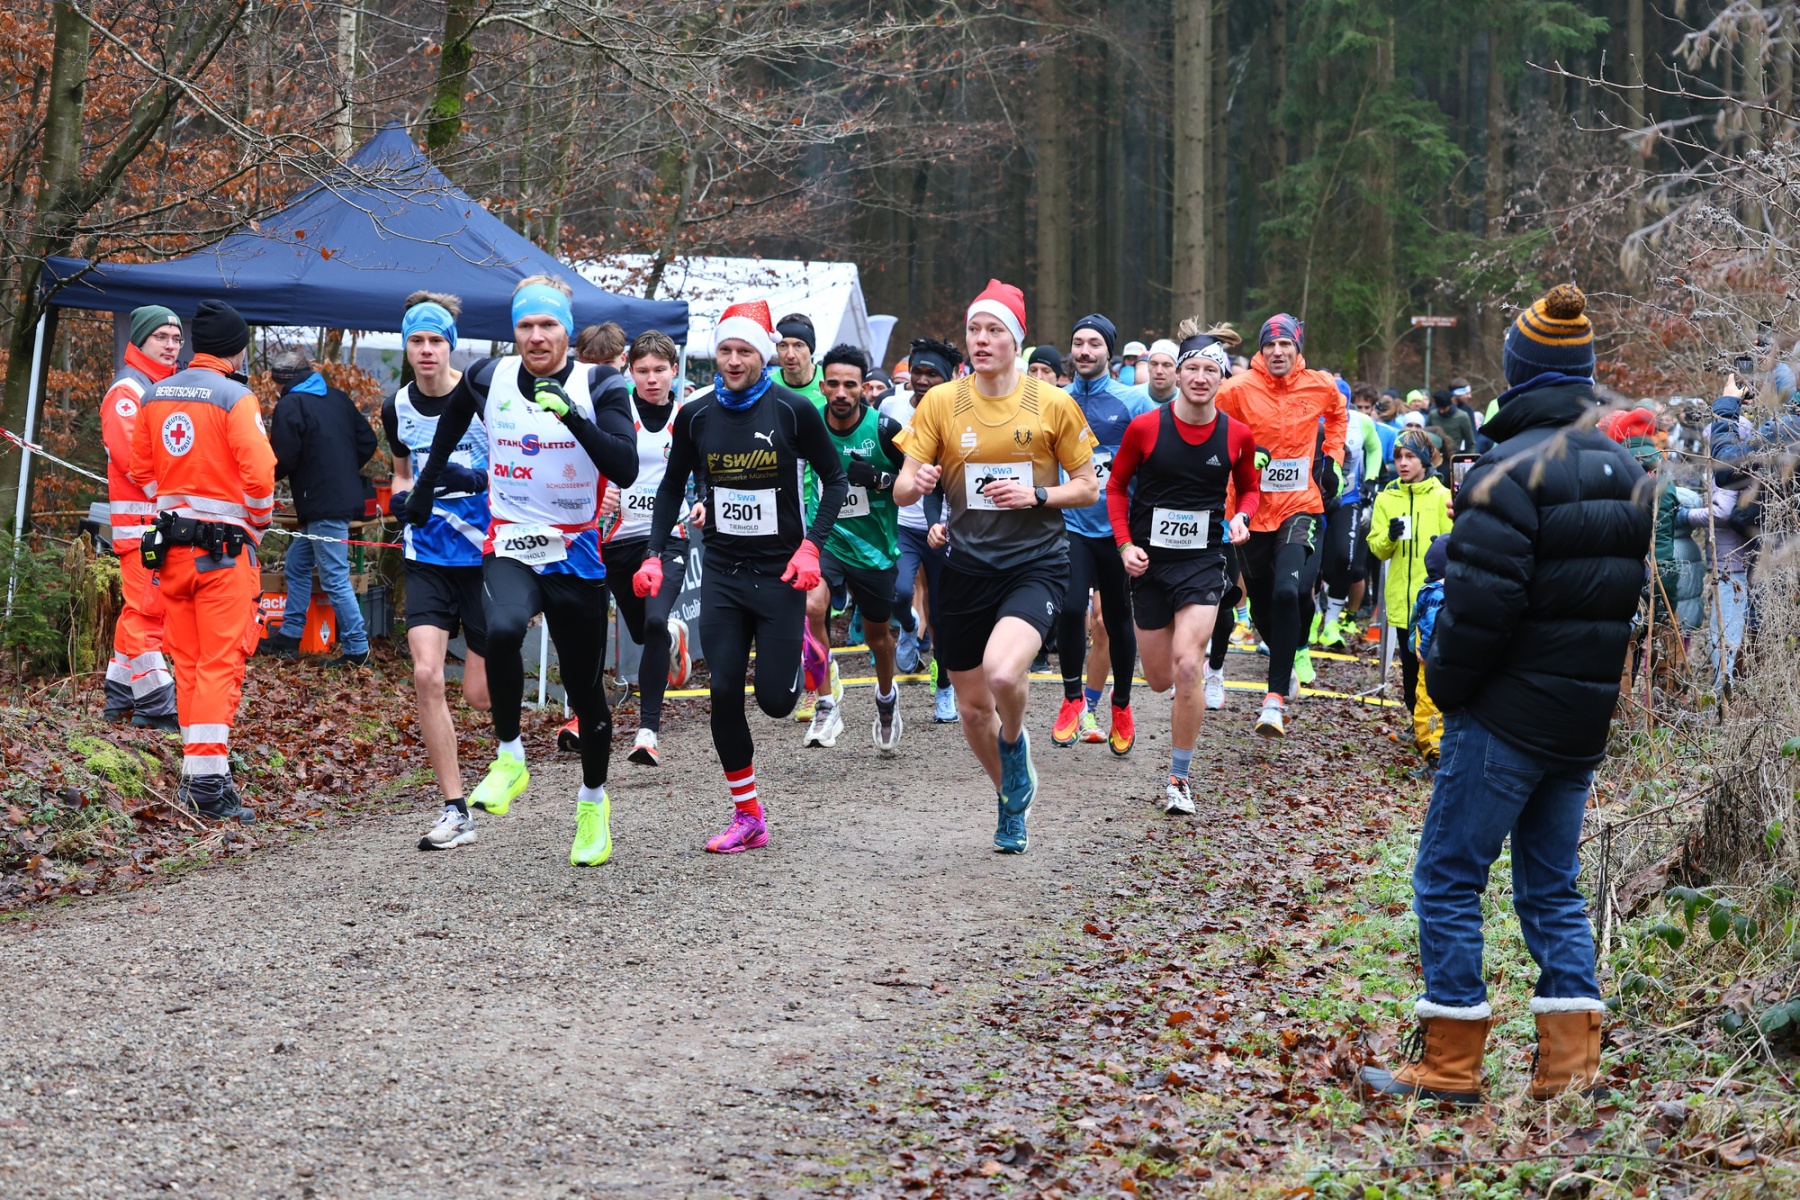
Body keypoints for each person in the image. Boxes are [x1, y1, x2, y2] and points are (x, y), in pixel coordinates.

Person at [1360, 284, 1653, 1105]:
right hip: (1580, 719)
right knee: (1551, 885)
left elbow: (1484, 608)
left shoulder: (1505, 469)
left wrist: (1447, 685)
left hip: (1504, 717)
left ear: (1518, 373)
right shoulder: (1627, 468)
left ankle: (1450, 1061)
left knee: (1448, 875)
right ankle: (1570, 1069)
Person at [406, 275, 640, 867]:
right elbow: (449, 427)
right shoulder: (489, 376)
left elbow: (625, 467)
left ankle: (593, 804)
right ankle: (510, 756)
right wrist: (424, 489)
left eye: (548, 325)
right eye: (526, 326)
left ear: (566, 329)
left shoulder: (601, 384)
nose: (536, 337)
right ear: (514, 331)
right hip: (510, 540)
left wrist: (574, 418)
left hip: (575, 551)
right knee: (504, 628)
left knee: (585, 688)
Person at [893, 280, 1099, 853]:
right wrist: (919, 480)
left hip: (1035, 563)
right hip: (964, 568)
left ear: (1016, 340)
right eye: (974, 330)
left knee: (1004, 675)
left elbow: (1087, 487)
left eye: (994, 330)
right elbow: (902, 490)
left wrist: (1038, 495)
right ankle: (1010, 798)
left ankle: (1015, 741)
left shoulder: (1052, 403)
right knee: (970, 707)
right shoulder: (941, 402)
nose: (981, 340)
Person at [639, 299, 847, 853]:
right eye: (725, 351)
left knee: (777, 703)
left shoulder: (793, 411)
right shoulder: (696, 415)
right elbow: (671, 485)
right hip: (724, 572)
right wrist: (654, 553)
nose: (734, 361)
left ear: (763, 356)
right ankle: (748, 815)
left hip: (781, 573)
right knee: (725, 691)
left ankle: (806, 646)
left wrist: (812, 547)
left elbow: (835, 480)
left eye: (744, 352)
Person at [127, 299, 275, 821]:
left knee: (188, 665)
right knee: (219, 664)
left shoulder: (154, 394)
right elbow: (260, 475)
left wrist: (177, 506)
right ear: (236, 350)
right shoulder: (236, 397)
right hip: (224, 557)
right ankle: (209, 787)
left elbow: (141, 469)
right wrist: (256, 523)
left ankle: (198, 776)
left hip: (172, 552)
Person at [1107, 329, 1258, 815]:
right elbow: (1116, 489)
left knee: (1189, 665)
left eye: (1210, 369)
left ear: (1221, 377)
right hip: (1149, 563)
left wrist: (1242, 517)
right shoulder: (1145, 428)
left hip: (1203, 560)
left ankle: (1179, 778)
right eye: (1191, 367)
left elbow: (1249, 489)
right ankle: (1170, 692)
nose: (1199, 377)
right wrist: (1125, 545)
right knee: (1158, 679)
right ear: (1177, 373)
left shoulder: (1236, 435)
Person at [382, 293, 494, 850]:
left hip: (485, 556)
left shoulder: (480, 396)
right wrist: (400, 501)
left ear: (451, 345)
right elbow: (402, 474)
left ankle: (513, 756)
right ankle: (455, 809)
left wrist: (474, 481)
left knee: (479, 695)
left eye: (435, 341)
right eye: (417, 341)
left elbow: (513, 466)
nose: (426, 350)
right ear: (406, 347)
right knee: (427, 676)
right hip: (426, 556)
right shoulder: (396, 407)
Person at [1214, 313, 1345, 738]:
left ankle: (1273, 701)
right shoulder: (1236, 389)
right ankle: (1283, 660)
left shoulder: (1320, 384)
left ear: (1297, 347)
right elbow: (1211, 429)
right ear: (1261, 350)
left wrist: (1333, 458)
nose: (1277, 351)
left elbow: (1338, 414)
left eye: (1285, 344)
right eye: (1269, 345)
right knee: (1262, 604)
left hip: (1299, 504)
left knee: (1290, 591)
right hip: (1249, 509)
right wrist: (1241, 455)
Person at [1053, 313, 1153, 753]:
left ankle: (1122, 705)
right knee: (1071, 607)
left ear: (1109, 352)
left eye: (1094, 344)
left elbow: (1154, 462)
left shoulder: (1134, 402)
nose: (1084, 351)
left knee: (1115, 617)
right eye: (1078, 343)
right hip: (1072, 524)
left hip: (1118, 529)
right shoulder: (1057, 400)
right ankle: (1073, 698)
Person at [802, 344, 908, 752]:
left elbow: (918, 483)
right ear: (822, 386)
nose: (841, 393)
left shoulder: (886, 429)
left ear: (865, 388)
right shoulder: (809, 423)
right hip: (824, 537)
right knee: (811, 607)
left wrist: (880, 478)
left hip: (874, 548)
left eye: (850, 385)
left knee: (878, 638)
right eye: (833, 384)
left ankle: (886, 697)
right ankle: (826, 703)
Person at [599, 330, 694, 768]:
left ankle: (647, 732)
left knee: (653, 622)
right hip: (619, 538)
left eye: (659, 370)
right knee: (641, 631)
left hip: (669, 536)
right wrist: (600, 493)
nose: (651, 379)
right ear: (630, 372)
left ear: (674, 370)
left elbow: (706, 467)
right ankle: (674, 637)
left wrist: (704, 499)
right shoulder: (615, 413)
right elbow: (590, 460)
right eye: (642, 371)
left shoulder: (688, 416)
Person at [264, 349, 379, 666]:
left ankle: (357, 650)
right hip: (336, 500)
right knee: (297, 564)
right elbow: (368, 441)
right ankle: (289, 637)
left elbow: (284, 457)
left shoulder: (291, 404)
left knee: (334, 579)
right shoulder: (337, 397)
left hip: (322, 503)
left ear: (283, 381)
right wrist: (343, 468)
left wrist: (262, 479)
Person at [101, 304, 182, 728]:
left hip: (156, 525)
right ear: (140, 340)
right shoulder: (128, 391)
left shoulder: (160, 387)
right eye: (161, 337)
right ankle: (157, 705)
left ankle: (120, 696)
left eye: (176, 338)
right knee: (147, 615)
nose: (171, 346)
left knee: (140, 611)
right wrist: (183, 500)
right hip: (143, 527)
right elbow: (137, 462)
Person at [884, 337, 959, 723]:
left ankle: (944, 687)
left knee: (943, 614)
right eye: (918, 372)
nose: (924, 379)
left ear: (948, 378)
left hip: (946, 527)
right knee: (898, 593)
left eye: (933, 374)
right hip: (903, 522)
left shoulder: (957, 412)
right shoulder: (891, 407)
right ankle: (911, 625)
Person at [1366, 428, 1453, 752]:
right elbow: (1377, 550)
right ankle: (1418, 725)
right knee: (1409, 673)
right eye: (1398, 457)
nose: (1402, 463)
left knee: (1434, 673)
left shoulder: (1442, 496)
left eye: (1410, 456)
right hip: (1403, 603)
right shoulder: (1387, 498)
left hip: (1436, 603)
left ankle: (1437, 733)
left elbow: (1454, 544)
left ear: (1425, 459)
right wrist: (1389, 535)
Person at [1313, 379, 1383, 650]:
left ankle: (1332, 622)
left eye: (1341, 400)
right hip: (1315, 499)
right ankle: (1312, 616)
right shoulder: (1312, 420)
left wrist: (1372, 479)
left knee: (1345, 557)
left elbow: (1374, 448)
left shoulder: (1361, 422)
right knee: (1312, 559)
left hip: (1348, 498)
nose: (1336, 405)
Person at [774, 312, 825, 404]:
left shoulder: (830, 382)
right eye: (783, 346)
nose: (790, 355)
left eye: (798, 346)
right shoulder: (768, 387)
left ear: (810, 349)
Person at [1425, 385, 1477, 453]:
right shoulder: (1433, 415)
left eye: (1444, 408)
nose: (1441, 411)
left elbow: (1470, 442)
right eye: (1439, 408)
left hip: (1454, 454)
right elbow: (1426, 436)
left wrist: (1470, 456)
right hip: (1436, 453)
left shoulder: (1462, 416)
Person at [1135, 339, 1180, 404]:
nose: (1159, 371)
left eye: (1166, 365)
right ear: (1148, 366)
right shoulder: (1131, 397)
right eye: (1154, 364)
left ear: (1177, 371)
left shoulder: (1186, 401)